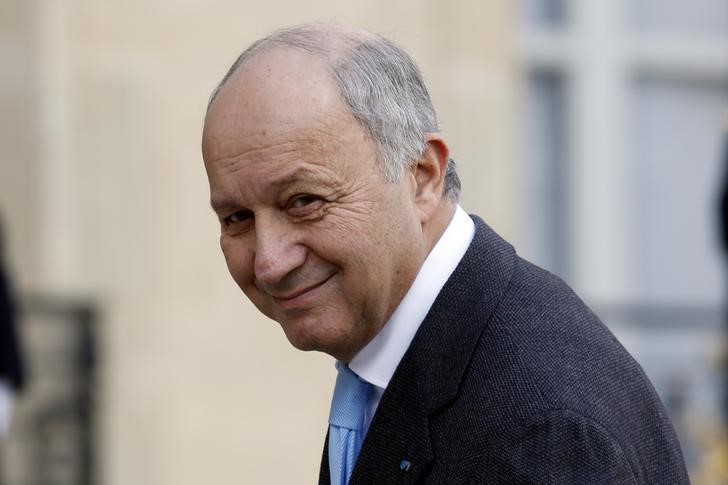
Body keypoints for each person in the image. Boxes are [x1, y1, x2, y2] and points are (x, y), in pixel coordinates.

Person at [201, 23, 689, 484]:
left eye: (304, 202)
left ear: (423, 177)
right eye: (236, 219)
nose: (269, 262)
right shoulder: (415, 357)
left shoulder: (540, 434)